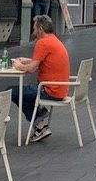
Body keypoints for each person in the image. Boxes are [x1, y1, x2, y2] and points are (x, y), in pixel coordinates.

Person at [9, 14, 71, 142]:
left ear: (40, 29)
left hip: (49, 90)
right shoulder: (54, 39)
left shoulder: (43, 42)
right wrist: (27, 61)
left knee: (13, 91)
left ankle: (39, 123)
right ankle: (40, 122)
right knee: (24, 93)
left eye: (34, 28)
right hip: (60, 89)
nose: (33, 31)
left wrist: (18, 65)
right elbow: (39, 62)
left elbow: (31, 69)